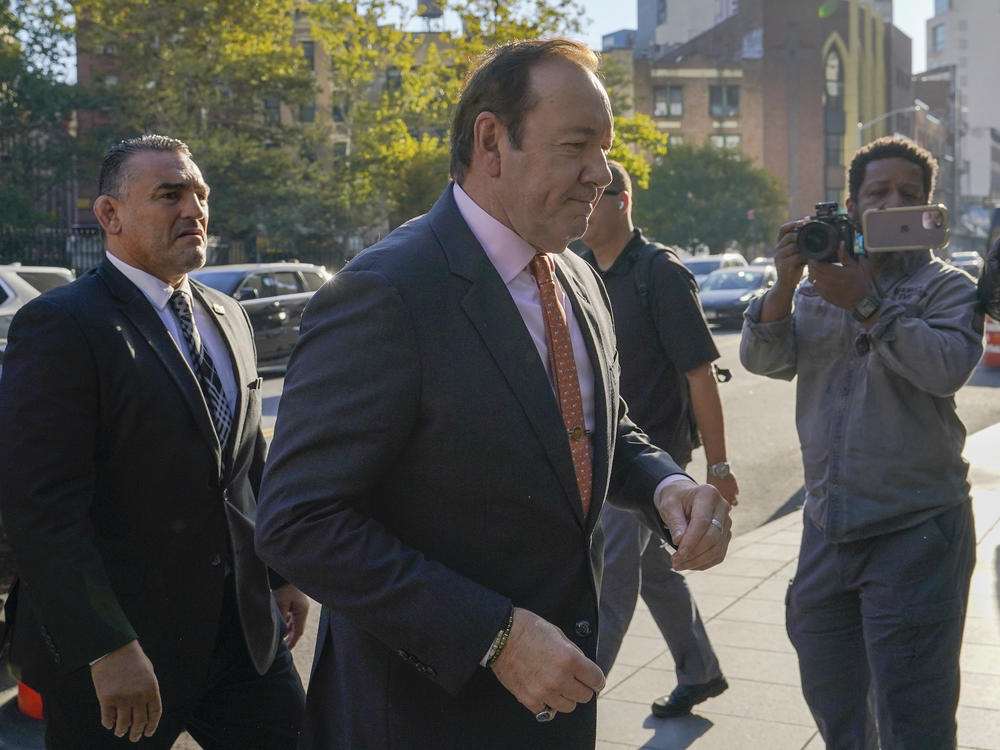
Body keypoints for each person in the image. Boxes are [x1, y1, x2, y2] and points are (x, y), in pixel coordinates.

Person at [254, 39, 733, 750]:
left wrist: (665, 485)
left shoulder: (576, 277)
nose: (600, 175)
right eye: (577, 146)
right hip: (420, 718)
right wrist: (494, 636)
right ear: (491, 142)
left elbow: (594, 422)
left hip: (555, 707)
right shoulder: (385, 292)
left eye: (604, 150)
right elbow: (297, 521)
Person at [0, 134, 308, 749]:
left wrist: (280, 574)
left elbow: (246, 466)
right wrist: (105, 646)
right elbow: (42, 509)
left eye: (200, 194)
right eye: (170, 195)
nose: (194, 209)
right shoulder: (62, 325)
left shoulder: (229, 314)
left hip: (244, 639)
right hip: (121, 653)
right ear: (110, 215)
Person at [740, 135, 983, 749]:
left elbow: (947, 368)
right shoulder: (819, 281)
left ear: (930, 210)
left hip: (916, 531)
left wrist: (867, 305)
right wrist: (783, 283)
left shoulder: (949, 286)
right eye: (878, 193)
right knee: (837, 707)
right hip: (827, 528)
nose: (892, 203)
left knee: (914, 720)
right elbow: (764, 360)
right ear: (850, 204)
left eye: (909, 194)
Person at [578, 160, 737, 717]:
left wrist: (717, 469)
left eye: (594, 194)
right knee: (655, 574)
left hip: (651, 463)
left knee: (611, 587)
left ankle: (567, 707)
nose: (582, 204)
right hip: (598, 456)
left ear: (621, 201)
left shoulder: (660, 272)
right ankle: (700, 672)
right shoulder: (576, 269)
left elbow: (700, 375)